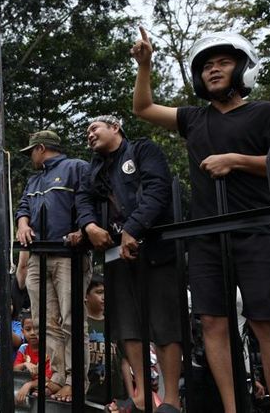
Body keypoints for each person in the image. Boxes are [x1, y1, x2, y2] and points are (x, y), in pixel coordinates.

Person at [131, 27, 270, 412]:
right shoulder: (194, 119)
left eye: (223, 62)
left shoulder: (266, 112)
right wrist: (145, 66)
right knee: (212, 322)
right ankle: (233, 406)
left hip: (256, 228)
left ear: (242, 68)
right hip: (206, 236)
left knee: (266, 323)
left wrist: (236, 160)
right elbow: (143, 109)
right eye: (207, 65)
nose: (213, 69)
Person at [74, 115, 182, 413]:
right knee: (128, 327)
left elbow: (157, 189)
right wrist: (89, 226)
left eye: (94, 128)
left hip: (156, 249)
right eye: (87, 132)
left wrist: (134, 228)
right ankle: (142, 394)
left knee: (164, 323)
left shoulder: (142, 150)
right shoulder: (93, 168)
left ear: (115, 128)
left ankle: (171, 398)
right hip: (115, 255)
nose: (89, 135)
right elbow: (83, 200)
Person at [15, 129, 91, 402]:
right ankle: (57, 377)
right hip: (37, 256)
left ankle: (76, 380)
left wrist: (84, 231)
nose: (31, 157)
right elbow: (23, 206)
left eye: (31, 151)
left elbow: (89, 203)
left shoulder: (77, 167)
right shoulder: (34, 179)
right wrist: (22, 223)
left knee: (71, 320)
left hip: (68, 253)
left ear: (41, 148)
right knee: (44, 322)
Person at [84, 275, 126, 407]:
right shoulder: (82, 324)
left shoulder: (114, 324)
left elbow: (124, 360)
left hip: (115, 396)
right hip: (88, 394)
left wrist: (129, 395)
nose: (103, 297)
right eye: (99, 292)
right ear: (85, 296)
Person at [14, 310, 57, 404]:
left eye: (36, 329)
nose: (33, 333)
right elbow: (15, 369)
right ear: (22, 332)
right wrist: (25, 364)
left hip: (41, 385)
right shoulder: (23, 348)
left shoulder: (49, 350)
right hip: (26, 386)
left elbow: (47, 377)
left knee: (52, 385)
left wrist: (29, 385)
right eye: (28, 329)